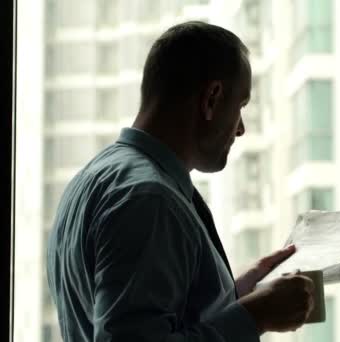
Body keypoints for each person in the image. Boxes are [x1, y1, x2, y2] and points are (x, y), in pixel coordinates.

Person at [46, 21, 315, 342]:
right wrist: (254, 316)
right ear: (212, 99)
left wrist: (231, 294)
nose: (241, 128)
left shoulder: (94, 178)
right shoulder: (150, 200)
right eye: (240, 106)